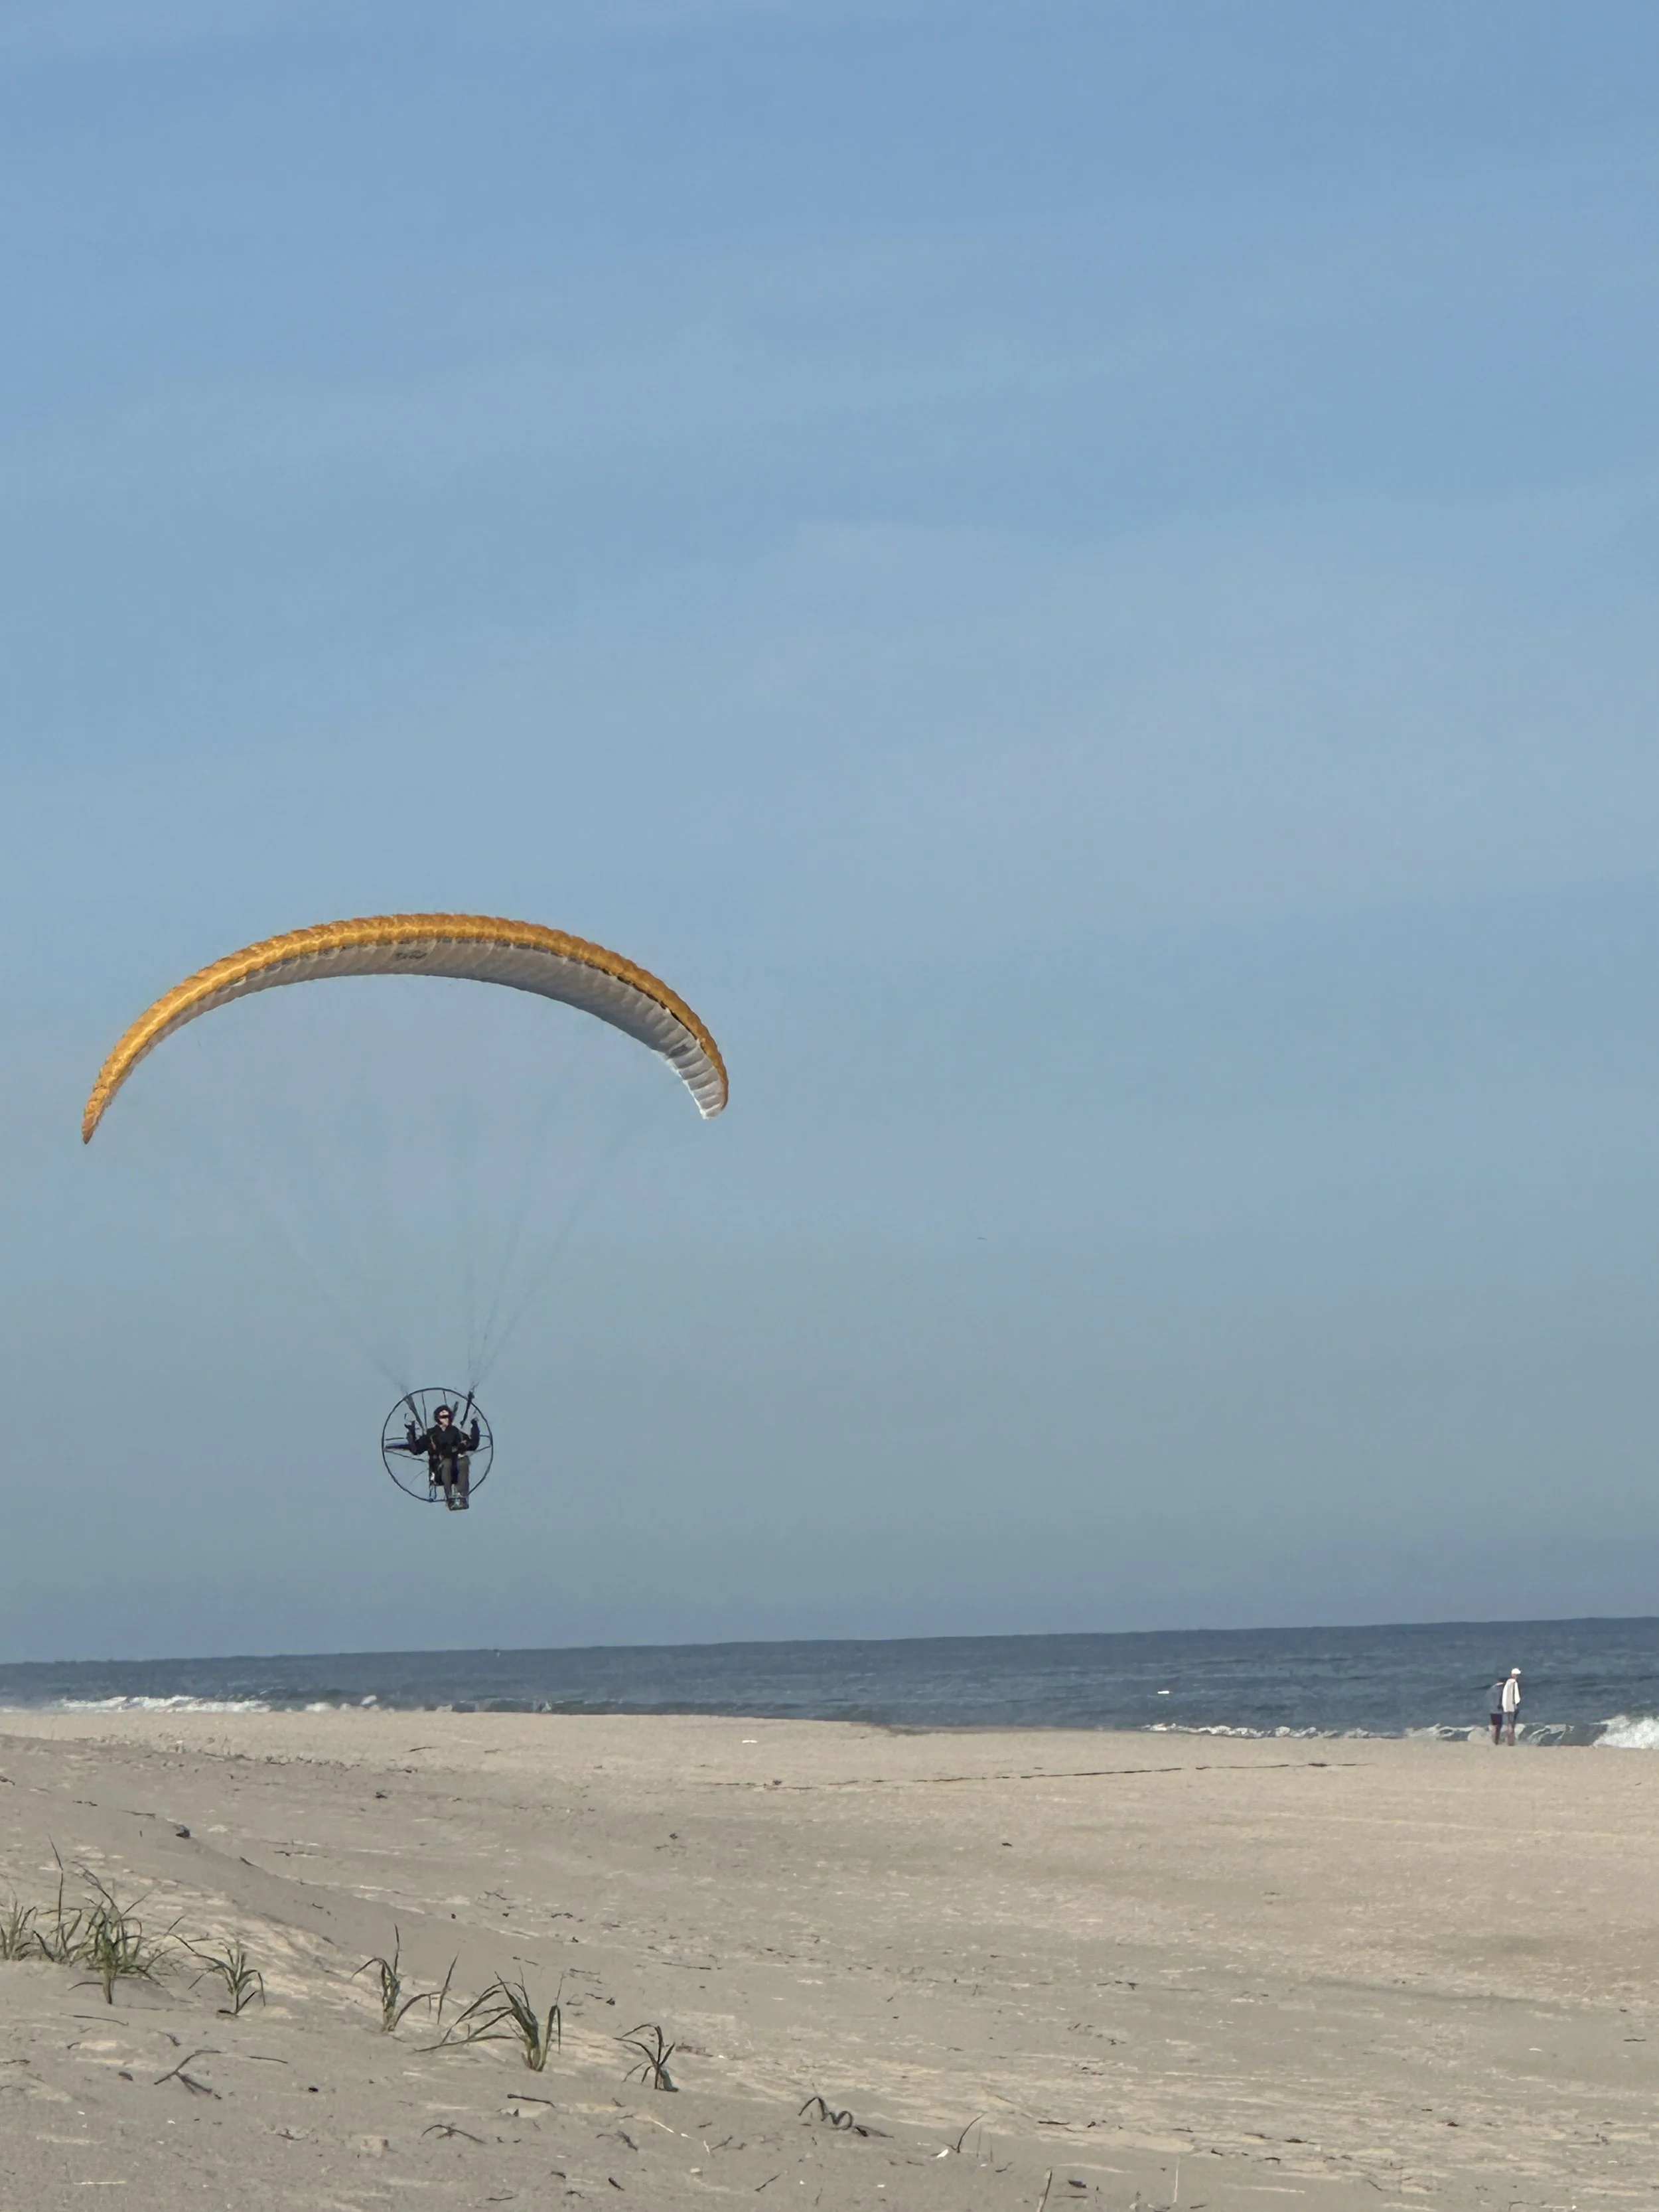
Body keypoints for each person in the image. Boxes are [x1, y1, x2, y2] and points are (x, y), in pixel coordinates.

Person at [405, 1404, 480, 1511]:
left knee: (464, 1461)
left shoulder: (456, 1433)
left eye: (448, 1416)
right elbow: (417, 1450)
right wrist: (411, 1432)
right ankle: (449, 1497)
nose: (447, 1419)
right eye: (443, 1417)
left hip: (456, 1469)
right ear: (438, 1419)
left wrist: (475, 1426)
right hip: (438, 1471)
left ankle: (462, 1496)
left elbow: (473, 1445)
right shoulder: (432, 1435)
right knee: (447, 1462)